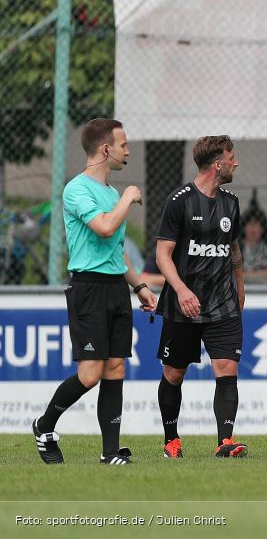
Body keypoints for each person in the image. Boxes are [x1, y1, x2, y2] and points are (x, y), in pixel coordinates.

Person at [32, 118, 156, 465]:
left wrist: (140, 286)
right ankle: (44, 425)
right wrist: (129, 198)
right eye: (124, 144)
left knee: (115, 367)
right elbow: (103, 228)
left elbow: (115, 252)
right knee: (90, 373)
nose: (127, 151)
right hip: (88, 288)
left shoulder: (111, 193)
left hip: (117, 288)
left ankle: (110, 452)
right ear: (106, 149)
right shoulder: (77, 189)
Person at [154, 136, 247, 459]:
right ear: (217, 163)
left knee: (226, 367)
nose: (236, 163)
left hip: (223, 301)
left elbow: (234, 249)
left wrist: (240, 286)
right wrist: (181, 290)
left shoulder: (231, 203)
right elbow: (162, 254)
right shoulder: (179, 201)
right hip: (184, 305)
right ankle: (171, 440)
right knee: (174, 373)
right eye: (231, 157)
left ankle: (225, 441)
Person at [240, 210, 267, 278]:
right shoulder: (237, 247)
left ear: (262, 229)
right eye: (250, 224)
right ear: (243, 228)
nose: (253, 229)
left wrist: (249, 274)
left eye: (256, 224)